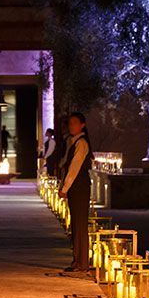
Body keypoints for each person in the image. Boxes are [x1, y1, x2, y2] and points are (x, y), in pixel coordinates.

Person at [58, 112, 94, 273]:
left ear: (82, 125)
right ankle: (77, 260)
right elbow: (65, 164)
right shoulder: (71, 141)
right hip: (75, 187)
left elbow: (74, 167)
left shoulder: (82, 143)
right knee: (75, 224)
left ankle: (82, 262)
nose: (71, 126)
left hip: (79, 187)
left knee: (80, 225)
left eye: (74, 123)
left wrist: (65, 188)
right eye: (70, 123)